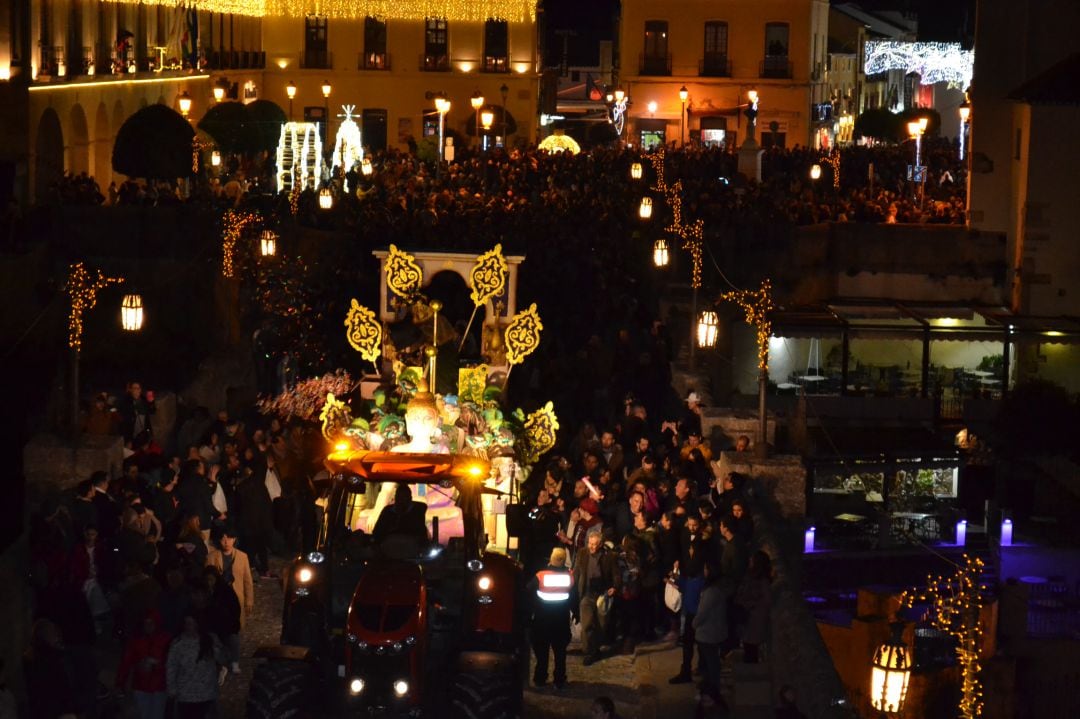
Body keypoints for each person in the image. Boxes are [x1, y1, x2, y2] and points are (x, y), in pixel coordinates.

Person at [206, 527, 254, 674]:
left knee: (234, 632)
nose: (226, 542)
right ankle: (223, 660)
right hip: (218, 600)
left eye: (229, 538)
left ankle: (234, 660)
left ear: (234, 540)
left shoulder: (242, 556)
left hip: (235, 599)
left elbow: (247, 580)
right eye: (223, 538)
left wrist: (249, 600)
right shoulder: (212, 556)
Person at [527, 547, 573, 689]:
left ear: (551, 559)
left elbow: (528, 593)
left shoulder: (540, 576)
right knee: (560, 654)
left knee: (542, 653)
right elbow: (574, 597)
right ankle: (559, 680)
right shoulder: (569, 576)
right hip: (561, 621)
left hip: (542, 620)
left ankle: (540, 679)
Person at [573, 531, 620, 665]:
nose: (591, 547)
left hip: (602, 595)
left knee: (601, 625)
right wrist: (571, 584)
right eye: (590, 543)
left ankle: (595, 648)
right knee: (587, 624)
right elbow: (577, 571)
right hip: (587, 594)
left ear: (600, 544)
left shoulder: (609, 556)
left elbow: (616, 574)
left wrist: (615, 587)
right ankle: (589, 652)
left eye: (594, 544)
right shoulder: (582, 553)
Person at [166, 614, 223, 719]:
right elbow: (171, 667)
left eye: (191, 623)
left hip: (206, 694)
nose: (188, 626)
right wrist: (172, 689)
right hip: (185, 695)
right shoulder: (178, 643)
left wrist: (214, 648)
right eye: (186, 623)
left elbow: (223, 658)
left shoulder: (210, 639)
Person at [116, 611, 170, 719]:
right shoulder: (136, 641)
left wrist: (156, 666)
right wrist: (119, 683)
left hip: (159, 686)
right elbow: (125, 663)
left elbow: (172, 663)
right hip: (140, 686)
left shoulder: (166, 640)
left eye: (151, 623)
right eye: (146, 623)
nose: (148, 626)